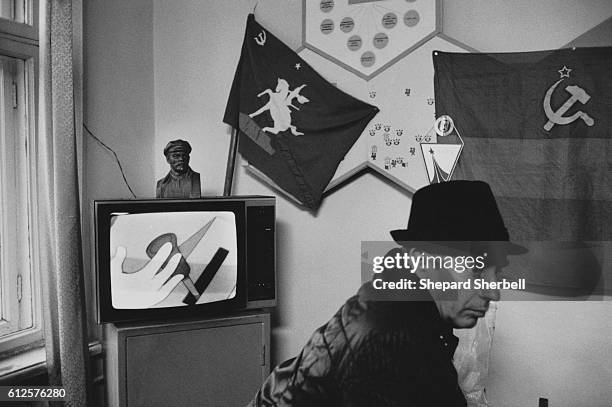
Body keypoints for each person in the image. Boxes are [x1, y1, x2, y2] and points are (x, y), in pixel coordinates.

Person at [248, 180, 526, 407]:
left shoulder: (408, 309)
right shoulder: (388, 334)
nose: (493, 292)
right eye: (477, 270)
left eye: (496, 273)